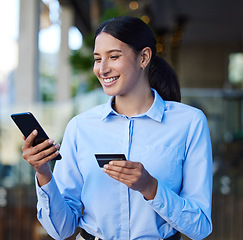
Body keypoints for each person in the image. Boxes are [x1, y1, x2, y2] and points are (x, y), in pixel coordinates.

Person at [22, 16, 213, 240]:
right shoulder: (80, 127)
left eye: (113, 57)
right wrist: (44, 173)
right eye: (97, 59)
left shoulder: (189, 123)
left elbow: (199, 227)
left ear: (144, 57)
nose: (102, 69)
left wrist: (151, 188)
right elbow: (61, 230)